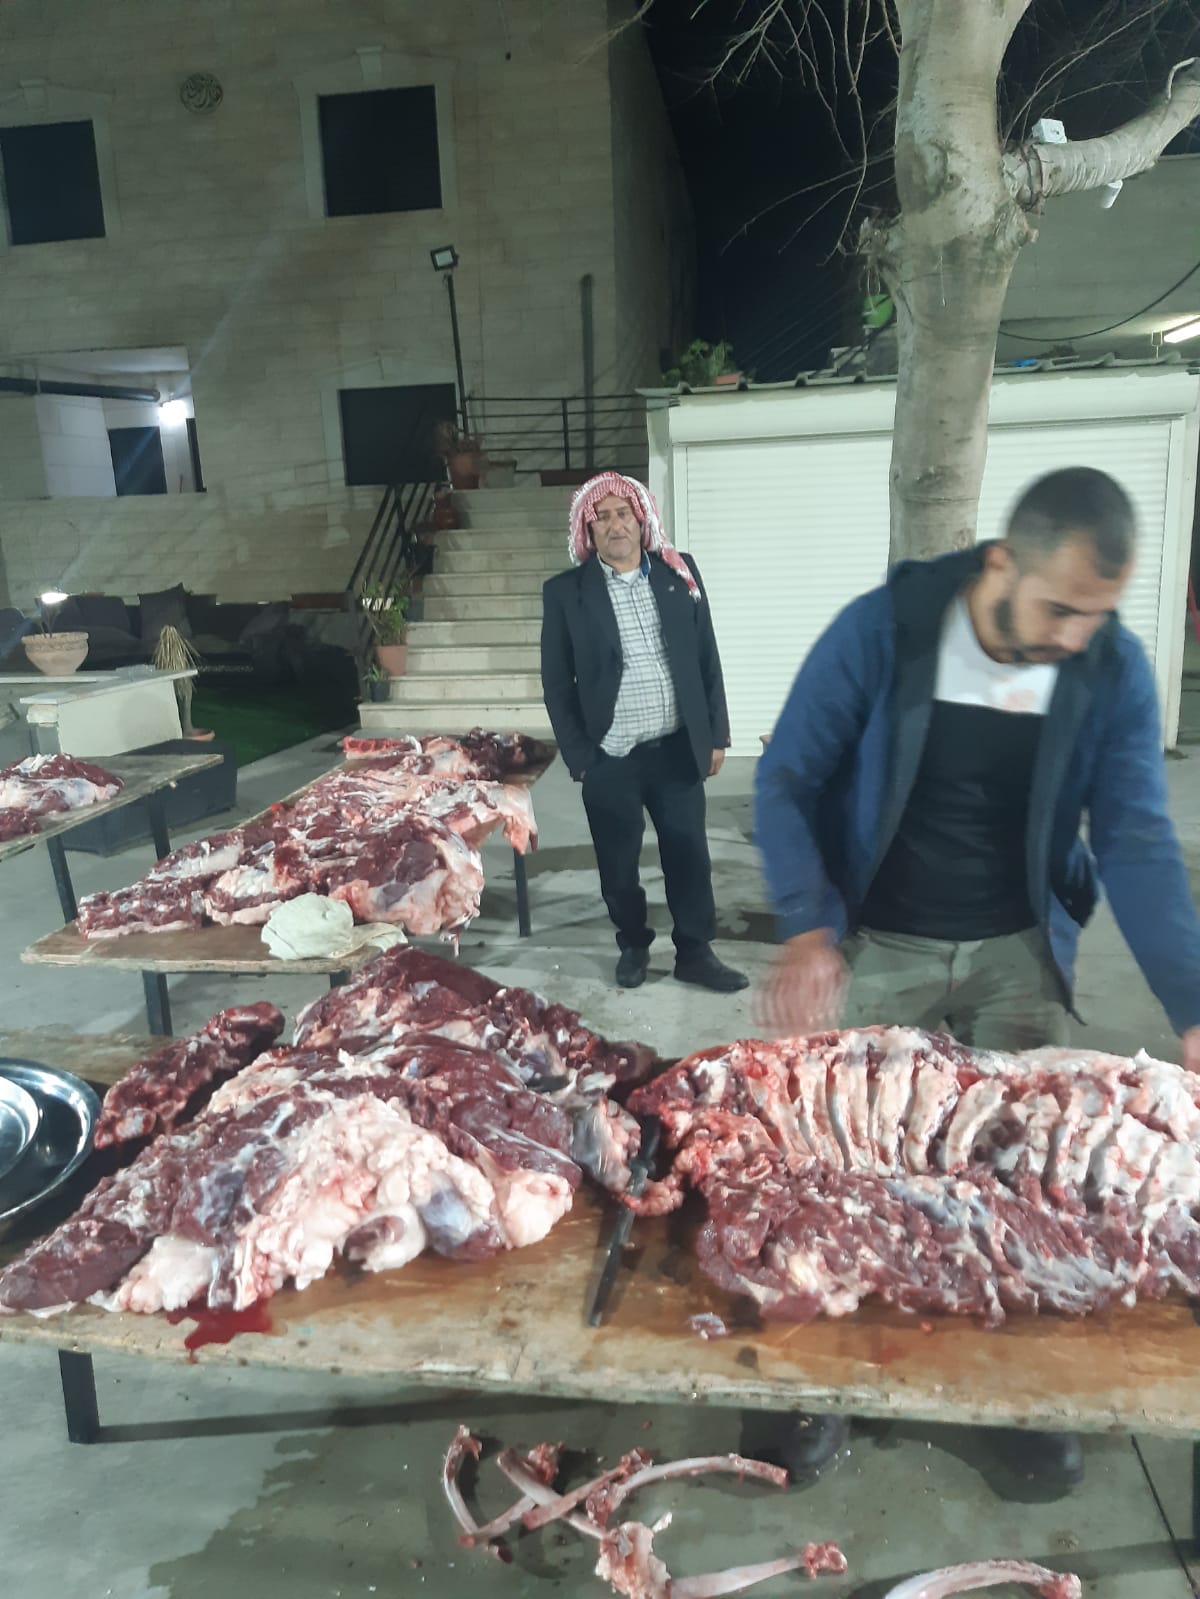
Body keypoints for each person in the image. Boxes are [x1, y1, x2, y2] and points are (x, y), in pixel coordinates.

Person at [754, 466, 1200, 1491]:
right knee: (848, 1173)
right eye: (1061, 610)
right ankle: (820, 1386)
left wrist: (1193, 1004)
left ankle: (1013, 1393)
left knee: (1024, 1180)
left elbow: (1135, 836)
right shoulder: (884, 632)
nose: (1077, 636)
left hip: (1017, 951)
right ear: (1002, 564)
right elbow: (787, 779)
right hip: (883, 943)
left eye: (1098, 614)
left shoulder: (1109, 669)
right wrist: (809, 929)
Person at [540, 471, 747, 994]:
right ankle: (633, 944)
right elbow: (557, 683)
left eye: (623, 514)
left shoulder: (679, 573)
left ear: (641, 519)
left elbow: (707, 657)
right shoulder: (566, 593)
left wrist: (716, 734)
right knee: (618, 864)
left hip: (677, 748)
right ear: (589, 530)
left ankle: (695, 952)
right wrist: (581, 758)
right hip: (610, 757)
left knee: (689, 854)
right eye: (603, 517)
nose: (615, 525)